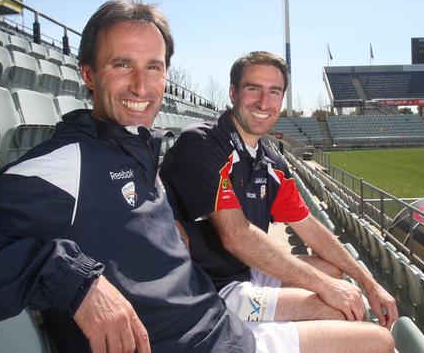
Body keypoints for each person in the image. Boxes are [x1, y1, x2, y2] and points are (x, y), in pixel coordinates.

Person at [0, 0, 258, 353]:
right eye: (122, 64)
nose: (141, 85)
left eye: (154, 67)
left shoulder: (140, 147)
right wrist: (68, 277)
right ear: (88, 74)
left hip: (225, 328)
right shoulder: (68, 163)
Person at [160, 51, 397, 353]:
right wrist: (324, 288)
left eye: (274, 92)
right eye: (253, 89)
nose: (264, 102)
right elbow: (236, 236)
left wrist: (368, 282)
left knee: (335, 273)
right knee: (344, 311)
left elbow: (310, 227)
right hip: (212, 290)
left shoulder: (268, 160)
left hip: (244, 273)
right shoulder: (202, 144)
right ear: (233, 93)